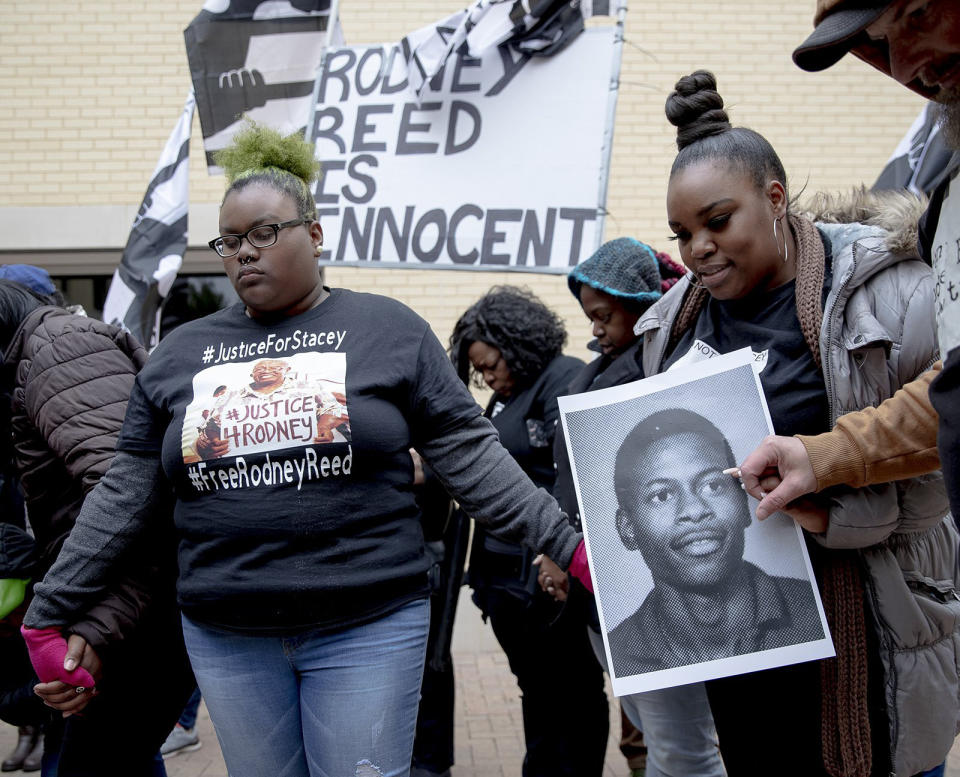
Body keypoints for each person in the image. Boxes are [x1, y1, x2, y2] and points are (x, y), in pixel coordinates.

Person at [21, 123, 583, 777]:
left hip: (368, 621)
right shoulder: (180, 354)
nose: (244, 253)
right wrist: (50, 613)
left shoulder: (388, 330)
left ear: (314, 233)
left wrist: (570, 547)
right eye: (229, 241)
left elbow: (471, 454)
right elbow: (124, 492)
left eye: (264, 232)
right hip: (226, 634)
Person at [632, 69, 955, 777]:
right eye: (683, 234)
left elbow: (944, 457)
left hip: (873, 631)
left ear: (774, 197)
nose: (699, 249)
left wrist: (829, 511)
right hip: (744, 646)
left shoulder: (890, 288)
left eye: (719, 221)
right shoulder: (669, 326)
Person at [735, 0, 960, 538]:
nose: (903, 66)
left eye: (918, 13)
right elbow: (951, 391)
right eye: (881, 42)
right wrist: (829, 454)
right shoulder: (948, 206)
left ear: (776, 199)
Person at [539, 237, 723, 777]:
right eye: (589, 317)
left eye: (603, 316)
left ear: (639, 306)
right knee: (649, 722)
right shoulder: (603, 369)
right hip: (607, 597)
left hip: (656, 590)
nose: (594, 329)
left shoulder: (663, 371)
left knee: (679, 747)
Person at [0, 279, 196, 777]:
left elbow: (133, 496)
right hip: (115, 615)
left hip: (126, 621)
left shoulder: (58, 348)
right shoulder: (43, 352)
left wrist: (95, 627)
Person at [449, 286, 607, 777]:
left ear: (517, 343)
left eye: (492, 363)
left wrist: (558, 556)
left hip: (546, 575)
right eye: (480, 371)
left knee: (573, 692)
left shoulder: (565, 380)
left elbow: (574, 475)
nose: (489, 376)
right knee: (537, 689)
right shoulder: (505, 397)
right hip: (502, 578)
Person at [609, 409, 824, 676]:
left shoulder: (819, 612)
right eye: (662, 495)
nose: (695, 510)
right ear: (627, 528)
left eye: (712, 486)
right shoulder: (619, 652)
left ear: (744, 505)